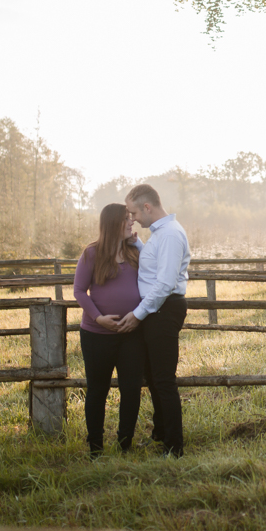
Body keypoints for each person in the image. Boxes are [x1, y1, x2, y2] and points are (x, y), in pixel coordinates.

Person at [118, 184, 190, 458]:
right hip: (156, 310)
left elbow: (164, 283)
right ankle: (161, 434)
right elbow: (156, 263)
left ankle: (174, 447)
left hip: (163, 309)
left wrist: (137, 315)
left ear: (147, 207)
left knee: (163, 379)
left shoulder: (170, 235)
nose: (133, 218)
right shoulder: (161, 235)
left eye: (134, 212)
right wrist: (138, 244)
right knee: (153, 377)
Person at [73, 203, 143, 459]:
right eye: (126, 219)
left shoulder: (135, 252)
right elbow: (79, 291)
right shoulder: (91, 254)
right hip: (96, 334)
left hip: (131, 334)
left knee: (131, 388)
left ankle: (125, 443)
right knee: (97, 390)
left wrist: (136, 318)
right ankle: (95, 447)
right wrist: (99, 318)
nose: (131, 222)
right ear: (113, 223)